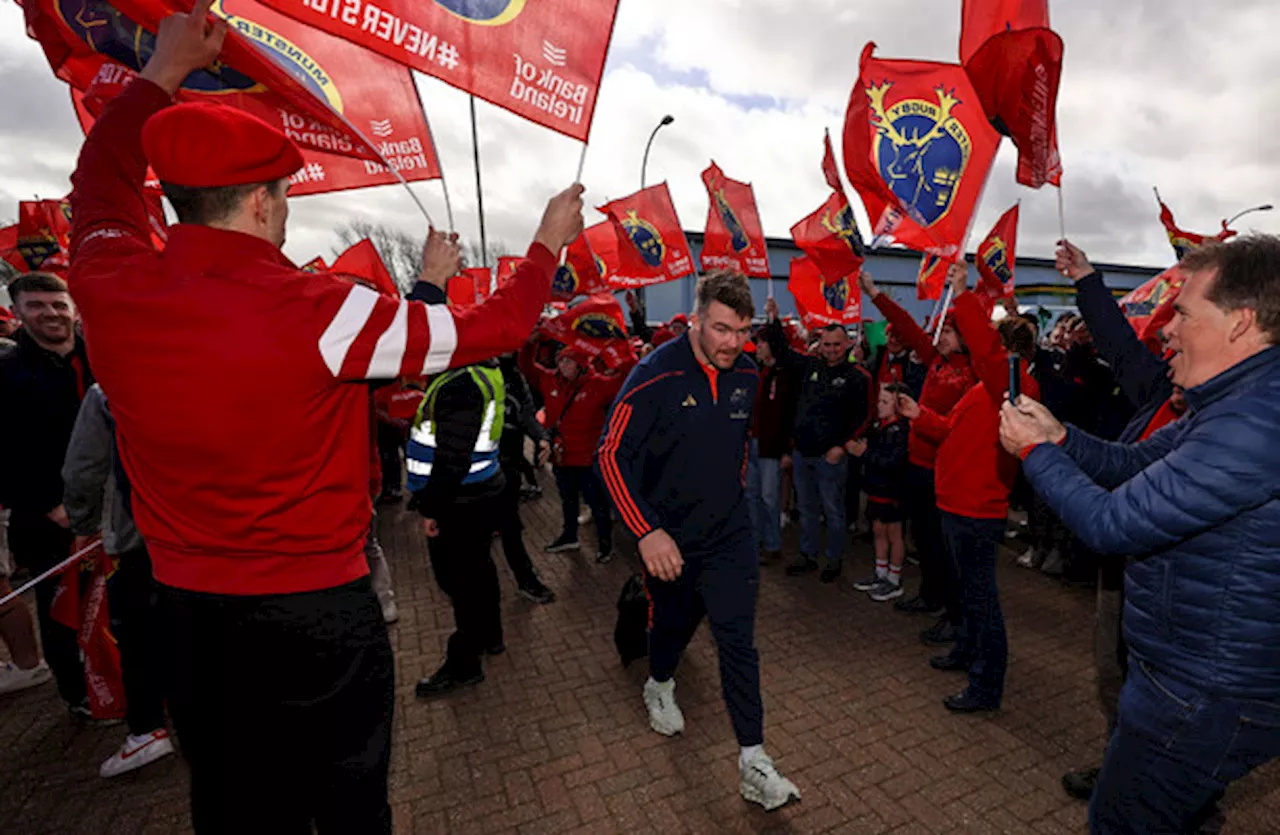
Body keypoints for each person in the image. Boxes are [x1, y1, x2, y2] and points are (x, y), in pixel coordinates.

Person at [66, 4, 582, 829]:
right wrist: (548, 242)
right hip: (315, 612)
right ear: (265, 204)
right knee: (346, 804)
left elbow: (98, 186)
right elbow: (496, 329)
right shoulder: (318, 308)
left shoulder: (108, 282)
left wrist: (158, 75)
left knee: (232, 803)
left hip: (190, 613)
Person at [1001, 235, 1280, 835]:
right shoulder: (1230, 403)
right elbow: (1131, 465)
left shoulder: (1253, 423)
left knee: (1123, 820)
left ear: (1241, 323)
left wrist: (1032, 454)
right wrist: (1058, 440)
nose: (1166, 331)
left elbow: (1110, 523)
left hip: (1205, 688)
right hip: (1190, 671)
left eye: (1182, 313)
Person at [597, 272, 800, 811]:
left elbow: (735, 445)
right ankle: (658, 682)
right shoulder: (653, 374)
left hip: (730, 537)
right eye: (720, 329)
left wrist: (731, 496)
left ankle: (753, 761)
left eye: (742, 330)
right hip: (668, 541)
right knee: (671, 627)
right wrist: (646, 530)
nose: (733, 342)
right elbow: (610, 455)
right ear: (695, 318)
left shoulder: (749, 375)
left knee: (738, 642)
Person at [1051, 241, 1183, 804]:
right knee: (1113, 672)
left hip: (1173, 580)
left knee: (1166, 695)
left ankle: (1180, 798)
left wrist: (1048, 451)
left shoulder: (1222, 418)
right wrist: (1086, 280)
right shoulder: (1163, 390)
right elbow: (1122, 347)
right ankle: (1119, 762)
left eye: (1181, 328)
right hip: (1122, 566)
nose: (1167, 339)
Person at [900, 264, 1039, 714]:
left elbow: (988, 355)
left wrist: (962, 294)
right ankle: (965, 650)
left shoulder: (1016, 388)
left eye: (992, 342)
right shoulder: (984, 389)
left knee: (982, 600)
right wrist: (918, 416)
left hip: (978, 508)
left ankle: (986, 684)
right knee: (965, 590)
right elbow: (951, 432)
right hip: (955, 503)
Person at [62, 384, 176, 777]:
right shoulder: (212, 366)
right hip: (206, 535)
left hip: (137, 538)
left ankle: (147, 729)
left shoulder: (109, 389)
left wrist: (84, 523)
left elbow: (82, 469)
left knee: (138, 637)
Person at [406, 276, 510, 698]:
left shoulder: (460, 384)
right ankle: (491, 636)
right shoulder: (482, 370)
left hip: (460, 500)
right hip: (481, 492)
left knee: (460, 584)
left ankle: (464, 663)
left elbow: (451, 460)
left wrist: (431, 509)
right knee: (480, 572)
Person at [860, 270, 977, 641]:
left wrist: (962, 293)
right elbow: (907, 327)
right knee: (924, 539)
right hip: (918, 464)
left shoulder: (973, 374)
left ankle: (951, 611)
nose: (938, 337)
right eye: (939, 331)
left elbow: (958, 428)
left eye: (947, 331)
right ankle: (930, 595)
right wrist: (876, 293)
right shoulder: (937, 362)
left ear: (963, 337)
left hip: (944, 472)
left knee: (943, 545)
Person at [0, 272, 91, 714]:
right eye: (37, 305)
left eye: (58, 304)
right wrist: (45, 504)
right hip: (49, 519)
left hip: (114, 506)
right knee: (62, 610)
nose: (51, 313)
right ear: (18, 312)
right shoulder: (7, 374)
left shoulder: (101, 358)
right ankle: (79, 695)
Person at [763, 298, 873, 583]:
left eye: (837, 344)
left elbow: (866, 416)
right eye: (827, 344)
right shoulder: (810, 365)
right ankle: (808, 555)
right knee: (808, 510)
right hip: (803, 454)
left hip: (831, 458)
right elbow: (783, 352)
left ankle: (834, 559)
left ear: (847, 344)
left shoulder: (857, 377)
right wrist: (774, 321)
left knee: (834, 511)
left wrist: (842, 445)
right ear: (820, 345)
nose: (832, 350)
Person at [521, 341, 629, 563]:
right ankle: (569, 536)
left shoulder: (598, 384)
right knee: (567, 500)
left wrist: (620, 352)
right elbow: (526, 366)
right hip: (562, 457)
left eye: (568, 361)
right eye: (561, 360)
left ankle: (605, 544)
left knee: (597, 504)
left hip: (588, 459)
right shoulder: (551, 380)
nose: (563, 365)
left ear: (580, 364)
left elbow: (626, 379)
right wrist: (532, 342)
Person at [495, 353, 556, 603]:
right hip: (473, 471)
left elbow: (526, 413)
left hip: (506, 464)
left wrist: (540, 437)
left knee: (511, 526)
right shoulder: (460, 375)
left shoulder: (512, 374)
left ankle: (525, 578)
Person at [849, 384, 910, 601]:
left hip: (891, 491)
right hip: (876, 488)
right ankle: (880, 571)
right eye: (879, 401)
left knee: (893, 533)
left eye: (885, 402)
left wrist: (865, 453)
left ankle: (894, 579)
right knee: (878, 530)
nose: (879, 406)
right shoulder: (878, 426)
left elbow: (892, 462)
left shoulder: (900, 431)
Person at [745, 335, 796, 564]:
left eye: (762, 343)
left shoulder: (783, 376)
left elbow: (787, 415)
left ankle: (772, 545)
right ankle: (755, 542)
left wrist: (787, 449)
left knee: (769, 497)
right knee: (752, 496)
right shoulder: (759, 372)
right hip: (754, 441)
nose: (757, 347)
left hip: (771, 447)